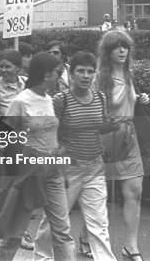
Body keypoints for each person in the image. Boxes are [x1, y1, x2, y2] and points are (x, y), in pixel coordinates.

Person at [33, 51, 116, 261]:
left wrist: (112, 126)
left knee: (99, 225)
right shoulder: (61, 100)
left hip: (95, 169)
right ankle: (42, 258)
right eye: (81, 71)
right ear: (71, 73)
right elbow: (50, 133)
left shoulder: (100, 98)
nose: (86, 76)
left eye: (90, 71)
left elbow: (100, 127)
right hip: (67, 172)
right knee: (53, 223)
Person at [0, 52, 75, 261]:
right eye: (58, 73)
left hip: (53, 173)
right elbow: (3, 136)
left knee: (62, 231)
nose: (61, 77)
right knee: (15, 234)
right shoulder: (21, 101)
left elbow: (51, 135)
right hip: (28, 174)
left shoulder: (50, 100)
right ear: (46, 74)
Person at [95, 30, 149, 261]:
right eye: (117, 46)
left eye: (125, 46)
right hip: (106, 138)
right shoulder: (99, 77)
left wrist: (141, 99)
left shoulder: (129, 74)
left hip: (129, 137)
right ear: (108, 51)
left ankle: (131, 246)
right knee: (98, 194)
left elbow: (130, 102)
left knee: (134, 191)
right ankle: (88, 238)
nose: (122, 51)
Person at [0, 49, 33, 251]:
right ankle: (16, 231)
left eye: (8, 66)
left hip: (28, 141)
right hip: (8, 142)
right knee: (15, 186)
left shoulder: (26, 83)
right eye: (1, 66)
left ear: (18, 68)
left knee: (17, 187)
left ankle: (5, 224)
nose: (4, 70)